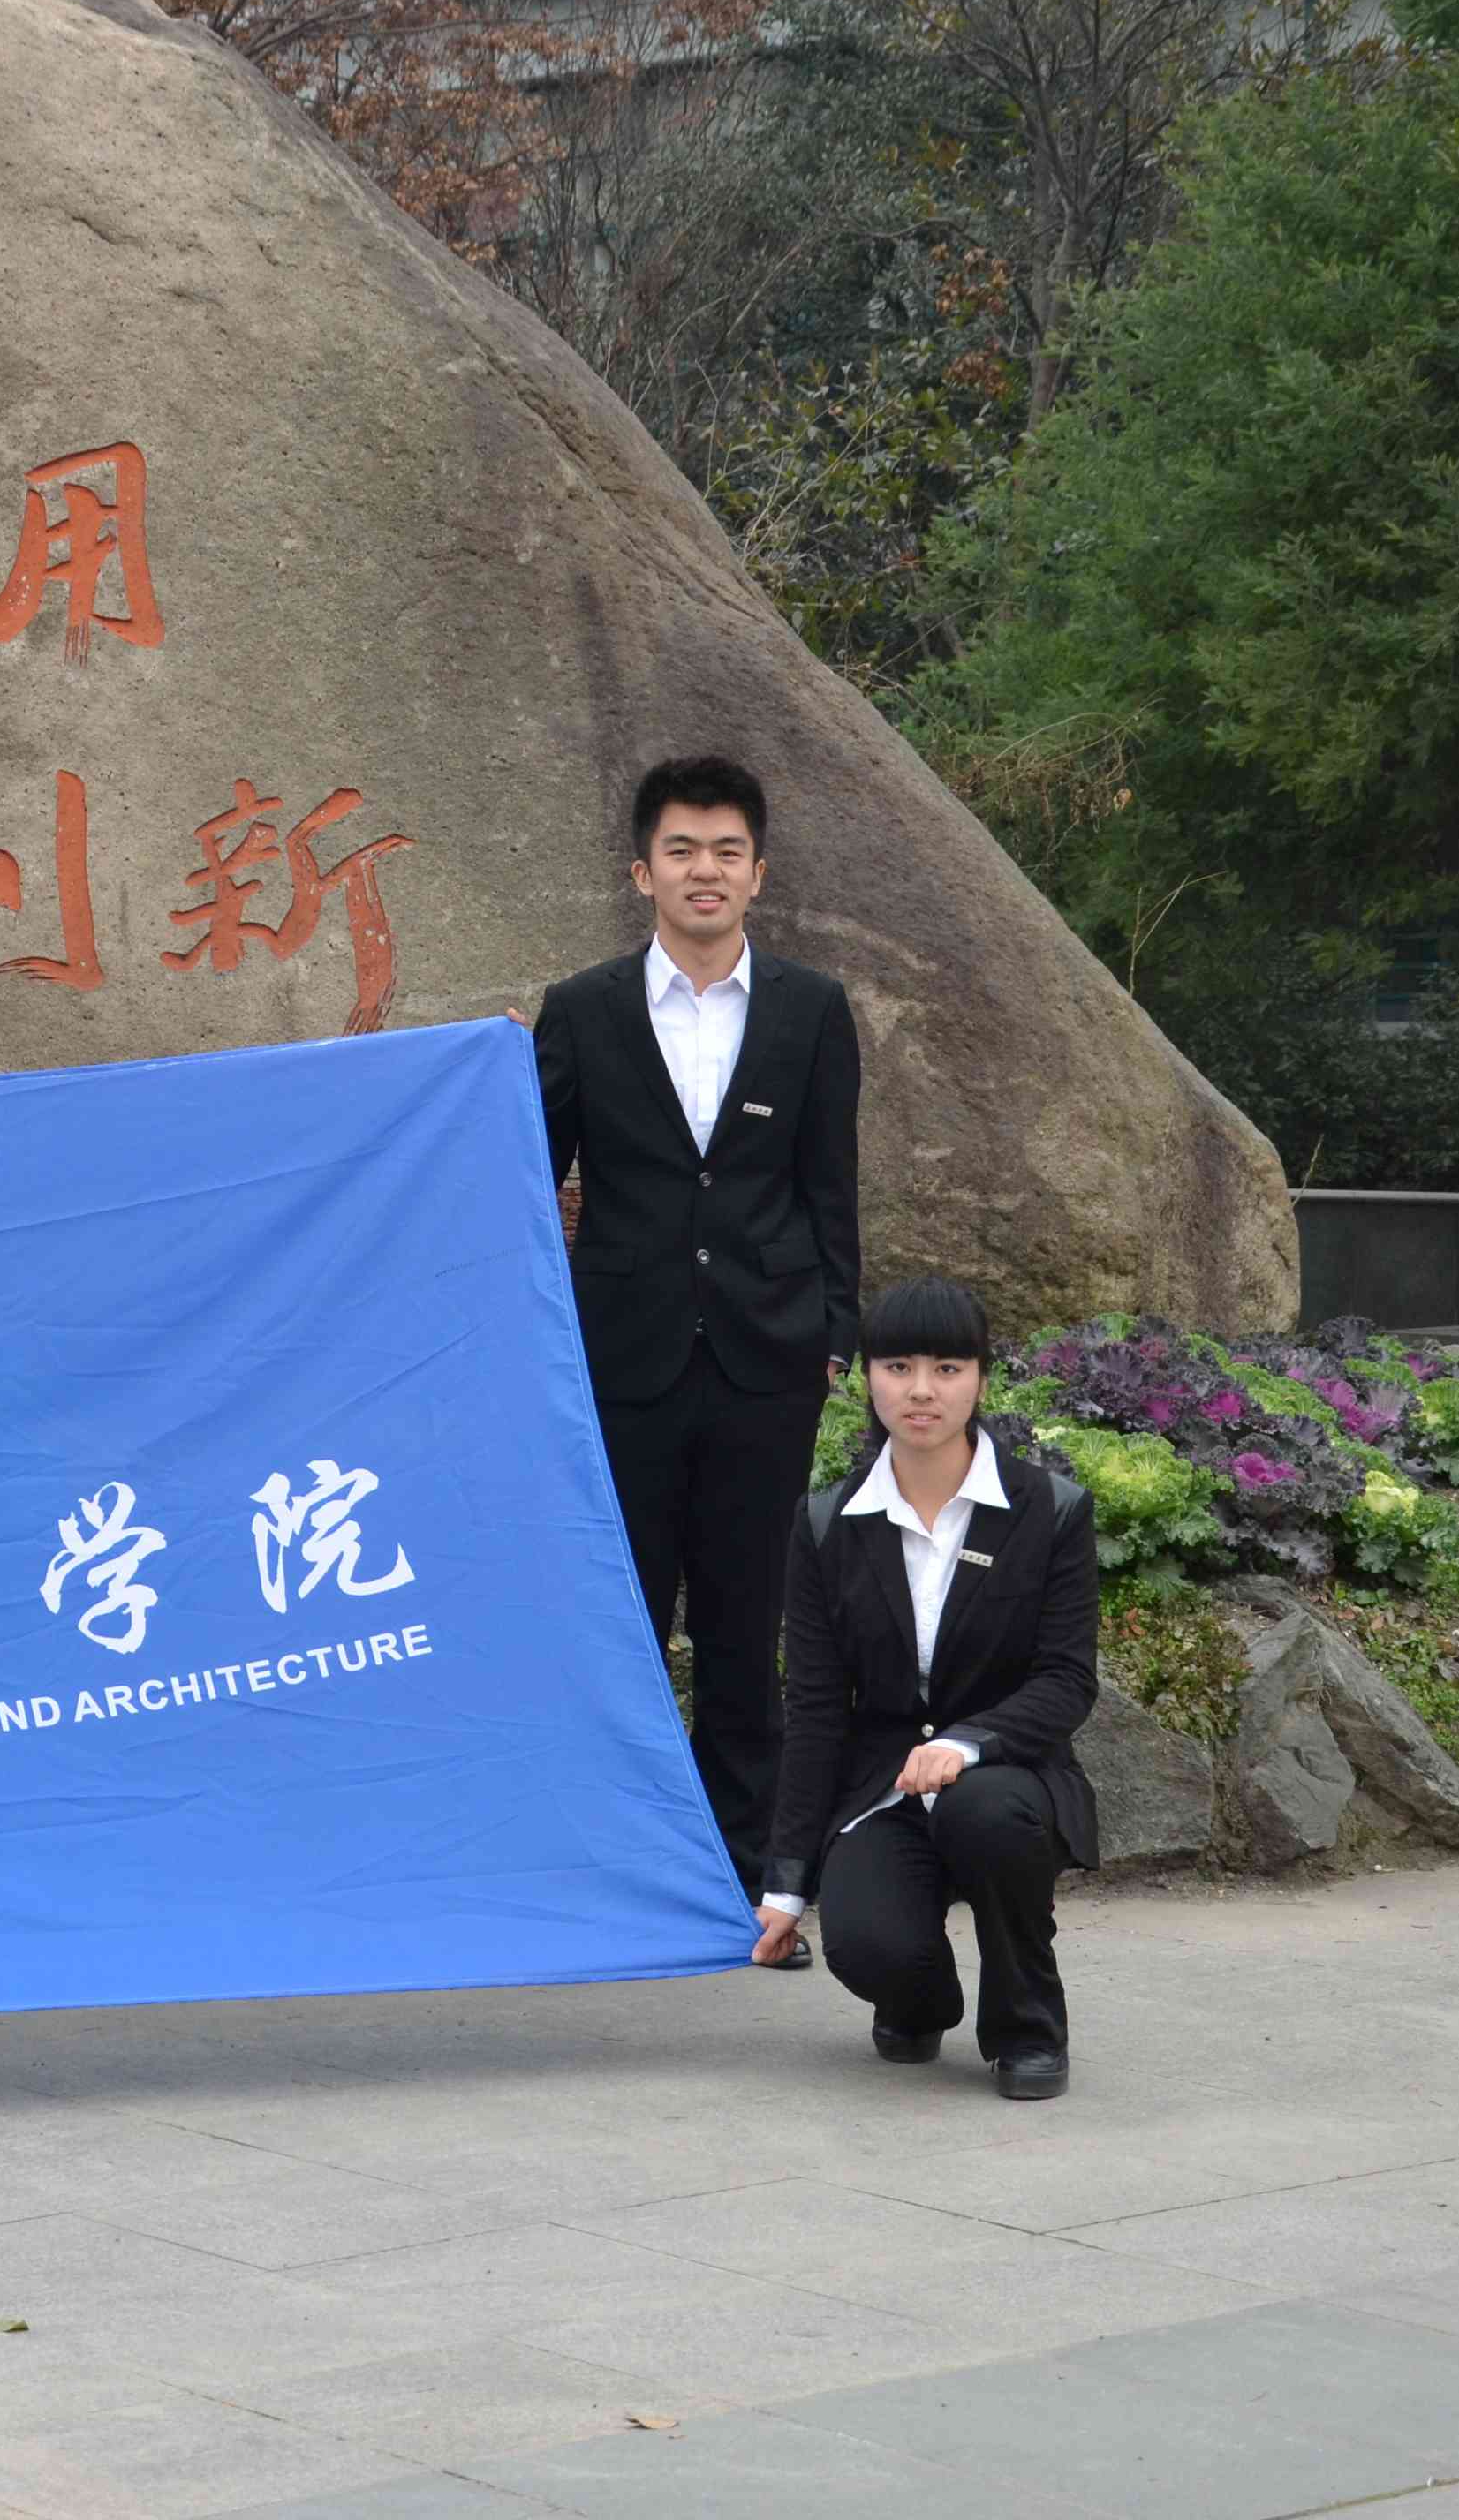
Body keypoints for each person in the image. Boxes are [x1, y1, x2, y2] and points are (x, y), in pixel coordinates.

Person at [533, 754, 863, 1934]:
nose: (704, 870)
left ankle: (744, 1883)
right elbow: (525, 1175)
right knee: (620, 1620)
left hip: (766, 1363)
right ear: (642, 872)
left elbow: (830, 1188)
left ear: (758, 873)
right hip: (622, 1362)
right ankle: (617, 1870)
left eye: (726, 851)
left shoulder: (810, 1009)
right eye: (681, 849)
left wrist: (834, 1335)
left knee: (742, 1625)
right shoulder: (583, 1010)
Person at [752, 1277, 1100, 2099]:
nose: (920, 1390)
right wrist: (785, 1885)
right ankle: (923, 1999)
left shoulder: (1049, 1509)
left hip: (1010, 1777)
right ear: (866, 1377)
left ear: (981, 1379)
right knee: (869, 1948)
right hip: (883, 1788)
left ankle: (1026, 2029)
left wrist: (967, 1743)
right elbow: (814, 1710)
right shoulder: (826, 1522)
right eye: (898, 1366)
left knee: (990, 1815)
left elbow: (1067, 1679)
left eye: (947, 1368)